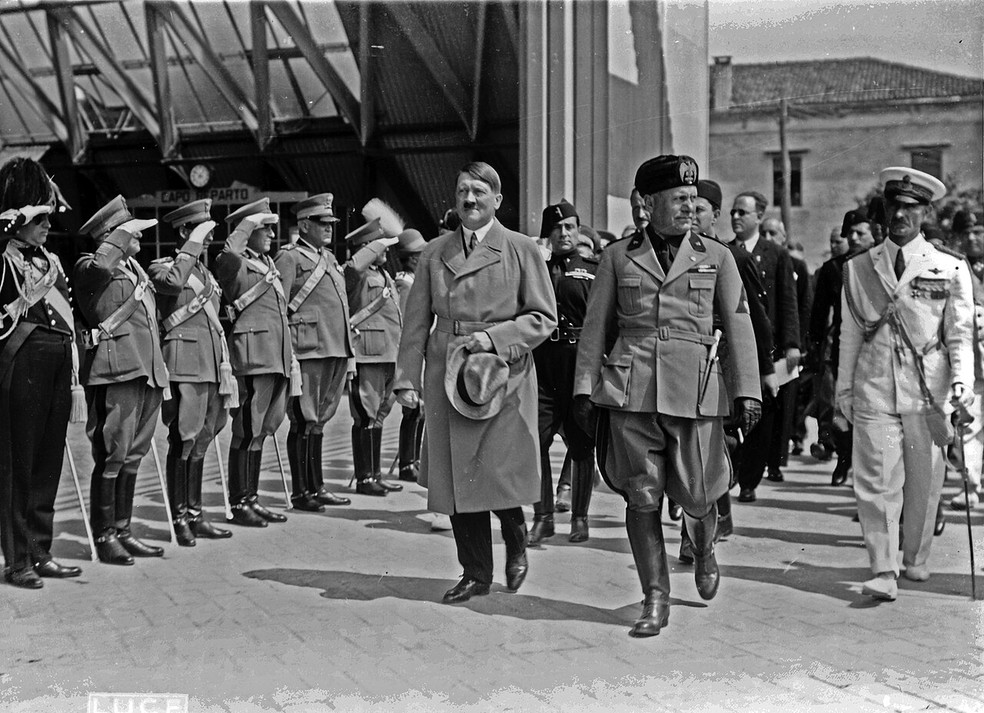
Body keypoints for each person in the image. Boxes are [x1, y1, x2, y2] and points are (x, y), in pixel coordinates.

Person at [574, 155, 761, 637]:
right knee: (641, 496)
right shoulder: (617, 256)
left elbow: (739, 324)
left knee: (700, 495)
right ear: (647, 202)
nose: (689, 207)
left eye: (693, 198)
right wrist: (584, 388)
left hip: (695, 391)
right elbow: (595, 327)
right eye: (678, 198)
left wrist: (747, 391)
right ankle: (655, 597)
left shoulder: (717, 256)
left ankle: (703, 546)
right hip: (631, 390)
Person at [394, 161, 557, 604]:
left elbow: (543, 318)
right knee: (457, 475)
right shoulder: (435, 252)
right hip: (447, 373)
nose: (470, 199)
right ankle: (475, 572)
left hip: (501, 374)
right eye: (463, 191)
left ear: (497, 200)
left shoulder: (521, 249)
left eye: (479, 192)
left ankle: (516, 538)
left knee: (497, 468)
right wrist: (406, 379)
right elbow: (415, 323)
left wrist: (496, 338)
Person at [837, 166, 974, 601]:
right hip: (874, 386)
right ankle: (883, 568)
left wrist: (962, 383)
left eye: (911, 208)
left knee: (924, 482)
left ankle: (914, 556)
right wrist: (843, 392)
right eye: (893, 206)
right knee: (876, 481)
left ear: (925, 213)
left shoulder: (949, 266)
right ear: (883, 210)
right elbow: (849, 335)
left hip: (927, 391)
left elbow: (959, 333)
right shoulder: (858, 268)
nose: (900, 215)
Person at [0, 158, 83, 587]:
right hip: (23, 363)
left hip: (57, 362)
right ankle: (17, 560)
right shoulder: (3, 259)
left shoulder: (52, 260)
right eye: (40, 218)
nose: (49, 225)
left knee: (48, 462)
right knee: (19, 463)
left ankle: (40, 549)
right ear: (18, 219)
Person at [74, 196, 168, 565]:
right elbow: (100, 266)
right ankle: (105, 534)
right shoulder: (89, 266)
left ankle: (123, 529)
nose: (139, 236)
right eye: (132, 231)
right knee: (113, 452)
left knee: (133, 453)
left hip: (146, 369)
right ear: (112, 237)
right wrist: (120, 235)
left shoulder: (134, 270)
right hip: (116, 370)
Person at [685, 178, 774, 550]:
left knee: (708, 444)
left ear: (715, 215)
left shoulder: (731, 257)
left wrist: (761, 374)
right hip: (685, 363)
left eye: (699, 209)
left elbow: (755, 321)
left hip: (719, 363)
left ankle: (700, 529)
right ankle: (714, 516)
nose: (691, 215)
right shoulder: (673, 254)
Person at [149, 199, 234, 546]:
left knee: (203, 437)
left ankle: (195, 513)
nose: (209, 238)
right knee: (184, 437)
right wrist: (192, 245)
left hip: (211, 362)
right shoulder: (163, 266)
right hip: (184, 363)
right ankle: (179, 516)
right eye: (202, 231)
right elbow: (172, 284)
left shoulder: (206, 273)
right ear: (185, 231)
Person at [272, 193, 357, 511]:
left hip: (334, 346)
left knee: (319, 420)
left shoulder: (330, 259)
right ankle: (301, 491)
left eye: (330, 222)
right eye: (322, 222)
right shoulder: (289, 258)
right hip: (307, 348)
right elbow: (279, 307)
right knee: (304, 420)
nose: (329, 228)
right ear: (304, 225)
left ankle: (316, 486)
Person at [213, 198, 293, 527]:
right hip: (253, 355)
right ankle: (239, 501)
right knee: (247, 430)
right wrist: (247, 223)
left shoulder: (267, 263)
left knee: (260, 430)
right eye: (265, 228)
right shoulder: (235, 263)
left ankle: (251, 498)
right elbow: (229, 253)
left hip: (274, 355)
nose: (272, 234)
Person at [528, 200, 599, 545]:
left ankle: (580, 518)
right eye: (556, 229)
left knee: (582, 442)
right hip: (543, 364)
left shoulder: (592, 269)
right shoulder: (535, 269)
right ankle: (542, 517)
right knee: (536, 440)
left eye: (570, 227)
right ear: (547, 234)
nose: (564, 233)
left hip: (579, 363)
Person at [726, 191, 800, 503]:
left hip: (766, 349)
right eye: (733, 212)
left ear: (759, 216)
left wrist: (792, 344)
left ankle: (749, 480)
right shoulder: (725, 251)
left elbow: (787, 302)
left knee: (762, 416)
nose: (735, 217)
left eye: (742, 212)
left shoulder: (776, 254)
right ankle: (731, 470)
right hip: (734, 346)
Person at [809, 208, 874, 483]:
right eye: (850, 234)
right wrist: (814, 347)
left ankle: (862, 465)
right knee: (839, 405)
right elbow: (819, 313)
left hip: (874, 346)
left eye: (860, 233)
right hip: (842, 346)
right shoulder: (833, 269)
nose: (854, 238)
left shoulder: (880, 264)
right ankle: (843, 457)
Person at [342, 205, 403, 496]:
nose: (386, 250)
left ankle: (374, 473)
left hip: (388, 352)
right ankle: (364, 477)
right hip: (368, 352)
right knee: (365, 414)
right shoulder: (358, 274)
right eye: (380, 245)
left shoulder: (382, 274)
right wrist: (378, 243)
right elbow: (353, 267)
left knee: (378, 415)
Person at [393, 228, 427, 484]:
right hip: (413, 354)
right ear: (413, 259)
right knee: (412, 410)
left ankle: (413, 459)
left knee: (420, 411)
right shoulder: (405, 285)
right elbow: (407, 325)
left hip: (422, 353)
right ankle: (407, 462)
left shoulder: (414, 282)